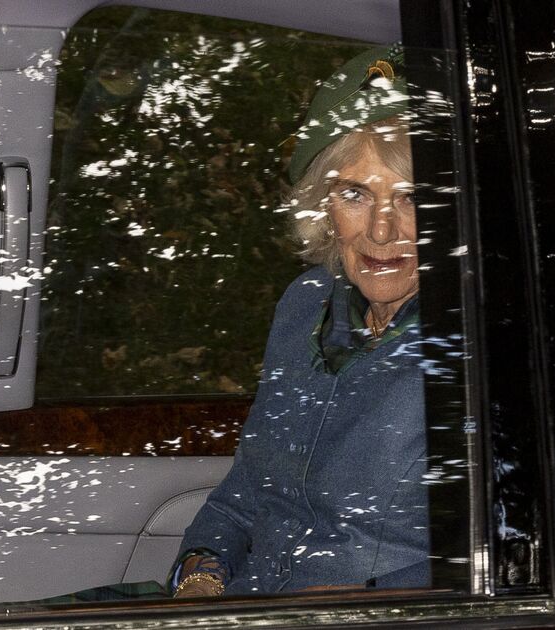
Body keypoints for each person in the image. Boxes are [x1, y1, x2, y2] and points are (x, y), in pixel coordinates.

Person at [171, 45, 429, 597]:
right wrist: (200, 576)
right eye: (355, 194)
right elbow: (245, 491)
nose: (382, 231)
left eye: (412, 198)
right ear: (323, 204)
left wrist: (352, 605)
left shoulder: (483, 337)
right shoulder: (307, 303)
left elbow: (501, 558)